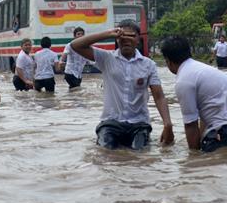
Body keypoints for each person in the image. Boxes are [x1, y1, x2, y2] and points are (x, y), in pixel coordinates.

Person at [70, 21, 174, 150]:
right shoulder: (106, 58)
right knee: (105, 152)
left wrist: (168, 124)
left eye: (131, 36)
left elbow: (159, 96)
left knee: (140, 154)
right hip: (111, 123)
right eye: (122, 36)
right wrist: (108, 33)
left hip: (139, 124)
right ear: (117, 39)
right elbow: (75, 45)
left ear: (138, 40)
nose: (126, 40)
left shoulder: (148, 65)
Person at [160, 36, 227, 152]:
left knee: (205, 157)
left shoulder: (183, 80)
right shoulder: (201, 68)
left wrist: (193, 156)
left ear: (168, 61)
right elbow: (205, 116)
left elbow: (191, 125)